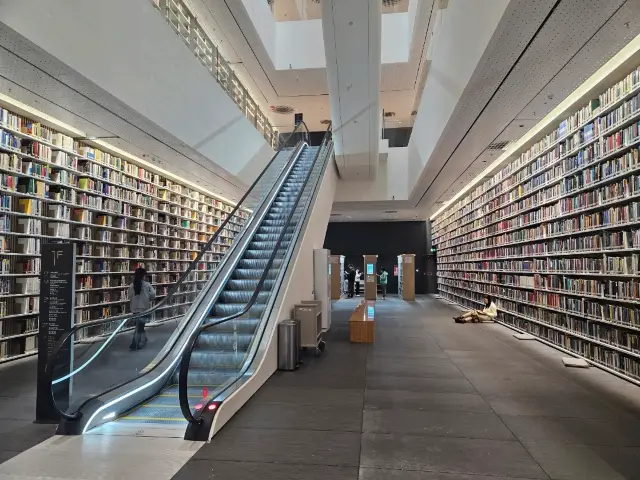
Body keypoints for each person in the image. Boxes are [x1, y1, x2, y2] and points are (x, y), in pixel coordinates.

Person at [128, 267, 156, 350]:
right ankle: (136, 344)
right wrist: (148, 299)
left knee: (139, 326)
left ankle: (142, 339)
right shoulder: (147, 285)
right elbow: (153, 295)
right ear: (144, 276)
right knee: (140, 327)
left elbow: (129, 296)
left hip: (135, 309)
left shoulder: (131, 285)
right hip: (145, 309)